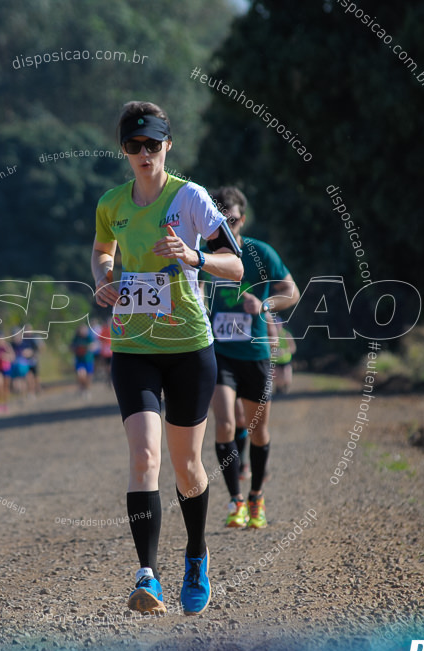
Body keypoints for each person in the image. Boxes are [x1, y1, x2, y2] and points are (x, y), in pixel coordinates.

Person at [92, 101, 243, 616]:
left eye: (152, 145)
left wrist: (194, 256)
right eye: (134, 146)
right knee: (144, 458)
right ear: (123, 150)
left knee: (186, 467)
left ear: (167, 146)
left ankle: (196, 554)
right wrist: (104, 276)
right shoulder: (111, 203)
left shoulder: (192, 198)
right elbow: (102, 249)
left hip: (188, 350)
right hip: (133, 348)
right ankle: (148, 577)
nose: (144, 154)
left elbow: (236, 266)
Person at [205, 186, 299, 530]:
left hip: (256, 352)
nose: (225, 225)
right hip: (219, 353)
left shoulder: (259, 253)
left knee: (258, 430)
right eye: (218, 220)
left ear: (241, 219)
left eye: (230, 219)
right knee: (226, 423)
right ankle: (235, 500)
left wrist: (265, 305)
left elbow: (291, 291)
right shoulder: (202, 254)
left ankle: (256, 494)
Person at [70, 325, 98, 397]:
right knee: (81, 375)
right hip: (80, 360)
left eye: (84, 330)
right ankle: (82, 388)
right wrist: (75, 348)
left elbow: (94, 346)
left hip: (88, 360)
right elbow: (71, 347)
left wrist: (89, 347)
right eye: (81, 330)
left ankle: (87, 389)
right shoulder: (76, 338)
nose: (83, 331)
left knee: (88, 377)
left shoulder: (89, 337)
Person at [271, 316, 297, 394]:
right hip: (275, 361)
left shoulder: (286, 334)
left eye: (278, 324)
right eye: (275, 324)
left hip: (286, 360)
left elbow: (293, 348)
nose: (277, 326)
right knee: (277, 378)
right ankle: (279, 389)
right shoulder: (270, 335)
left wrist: (284, 351)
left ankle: (285, 387)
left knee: (287, 379)